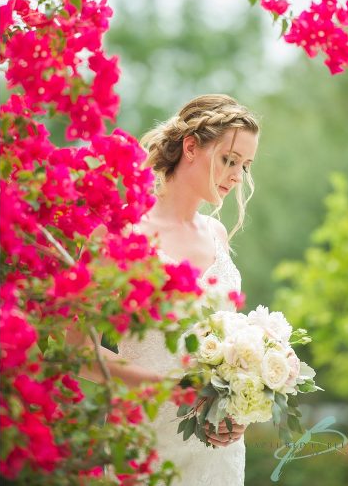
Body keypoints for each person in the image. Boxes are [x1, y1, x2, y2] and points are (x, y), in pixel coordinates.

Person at [72, 94, 259, 484]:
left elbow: (228, 350)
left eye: (245, 165)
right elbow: (76, 350)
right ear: (190, 147)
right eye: (229, 159)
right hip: (145, 438)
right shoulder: (120, 234)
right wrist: (169, 389)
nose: (237, 176)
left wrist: (237, 410)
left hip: (216, 450)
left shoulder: (218, 235)